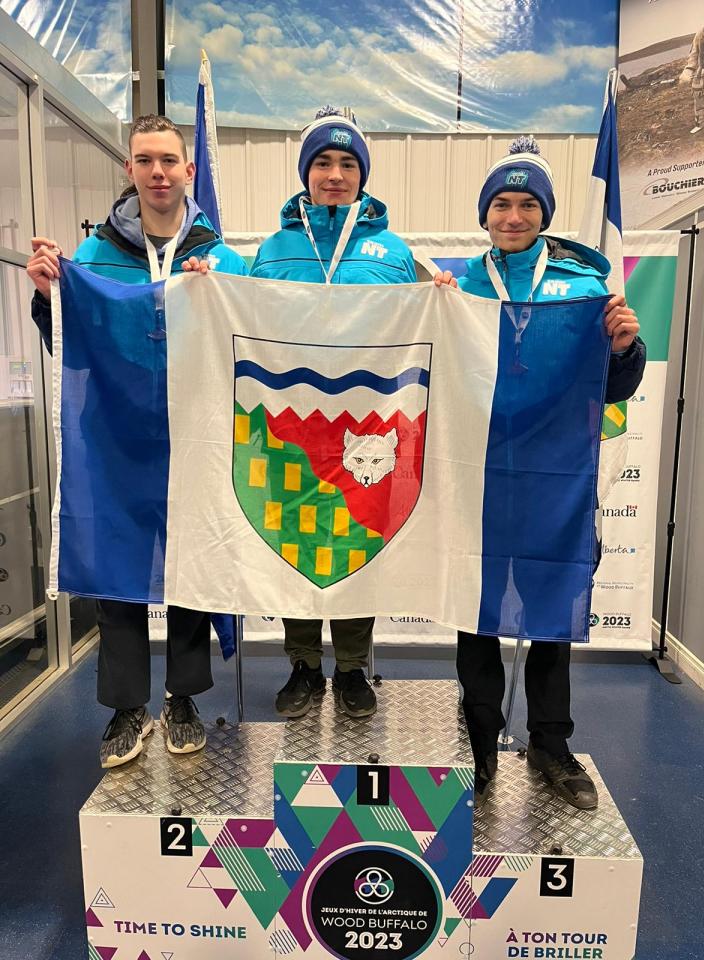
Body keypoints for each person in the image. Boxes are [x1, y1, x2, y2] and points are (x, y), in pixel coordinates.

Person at [26, 114, 249, 768]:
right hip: (119, 440)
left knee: (191, 565)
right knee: (118, 569)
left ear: (187, 170)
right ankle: (127, 708)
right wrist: (49, 300)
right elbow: (74, 351)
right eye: (145, 160)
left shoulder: (223, 258)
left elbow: (249, 350)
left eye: (168, 161)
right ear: (129, 170)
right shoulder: (92, 258)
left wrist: (224, 295)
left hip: (197, 439)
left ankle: (183, 698)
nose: (158, 172)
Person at [435, 136, 646, 810]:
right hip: (480, 484)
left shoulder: (585, 290)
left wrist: (625, 346)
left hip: (557, 486)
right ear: (485, 214)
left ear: (545, 213)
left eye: (528, 204)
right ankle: (479, 742)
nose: (515, 215)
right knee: (478, 620)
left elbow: (612, 388)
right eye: (503, 203)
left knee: (553, 620)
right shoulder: (459, 286)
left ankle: (551, 744)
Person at [250, 105, 417, 720]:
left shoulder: (392, 252)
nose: (335, 174)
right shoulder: (273, 249)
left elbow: (414, 328)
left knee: (354, 542)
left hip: (366, 425)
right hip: (292, 423)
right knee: (295, 539)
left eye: (348, 163)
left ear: (362, 175)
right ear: (306, 172)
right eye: (323, 162)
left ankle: (351, 669)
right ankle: (302, 667)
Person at [680, 0, 704, 134]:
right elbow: (694, 53)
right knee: (699, 96)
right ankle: (700, 123)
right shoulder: (701, 32)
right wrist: (688, 70)